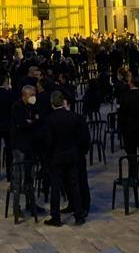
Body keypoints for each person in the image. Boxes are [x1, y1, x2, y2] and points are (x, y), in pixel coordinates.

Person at [41, 91, 88, 226]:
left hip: (57, 157)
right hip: (72, 156)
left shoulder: (50, 119)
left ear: (52, 103)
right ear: (63, 102)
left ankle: (56, 217)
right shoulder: (73, 117)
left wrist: (48, 155)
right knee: (74, 185)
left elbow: (48, 141)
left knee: (55, 187)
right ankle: (78, 215)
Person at [10, 84, 42, 221]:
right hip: (19, 147)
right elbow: (21, 124)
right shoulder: (17, 107)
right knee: (18, 178)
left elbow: (36, 119)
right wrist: (30, 122)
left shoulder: (32, 106)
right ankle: (16, 208)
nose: (33, 97)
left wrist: (31, 122)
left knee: (30, 177)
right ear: (24, 95)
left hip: (31, 146)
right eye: (31, 95)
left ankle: (31, 203)